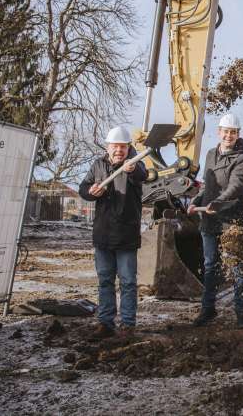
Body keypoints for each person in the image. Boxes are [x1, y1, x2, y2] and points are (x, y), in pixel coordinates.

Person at [79, 126, 147, 339]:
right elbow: (83, 188)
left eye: (123, 146)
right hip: (103, 234)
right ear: (108, 147)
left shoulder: (135, 165)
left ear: (128, 148)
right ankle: (106, 322)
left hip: (126, 234)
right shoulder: (98, 165)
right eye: (115, 146)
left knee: (127, 282)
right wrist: (91, 193)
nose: (119, 150)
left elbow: (143, 175)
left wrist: (131, 169)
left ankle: (127, 324)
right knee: (105, 280)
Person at [188, 113, 243, 329]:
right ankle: (208, 310)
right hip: (209, 219)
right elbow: (206, 184)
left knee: (237, 267)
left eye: (233, 132)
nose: (229, 135)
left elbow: (236, 185)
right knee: (209, 265)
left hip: (232, 219)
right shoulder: (210, 154)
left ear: (237, 134)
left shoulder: (242, 159)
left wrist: (218, 202)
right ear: (219, 132)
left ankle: (241, 314)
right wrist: (196, 200)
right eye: (226, 131)